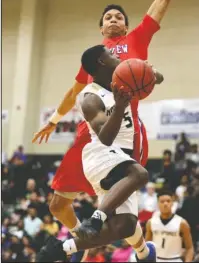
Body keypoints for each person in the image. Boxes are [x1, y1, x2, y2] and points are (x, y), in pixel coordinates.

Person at [33, 0, 172, 260]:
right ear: (101, 29)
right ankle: (83, 237)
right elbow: (73, 92)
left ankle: (121, 246)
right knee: (56, 203)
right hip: (91, 131)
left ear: (125, 25)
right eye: (108, 16)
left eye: (119, 16)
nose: (114, 18)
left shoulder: (136, 43)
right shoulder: (93, 60)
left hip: (124, 128)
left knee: (124, 214)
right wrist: (54, 120)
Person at [36, 45, 163, 262]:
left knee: (125, 226)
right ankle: (96, 219)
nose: (117, 56)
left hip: (120, 158)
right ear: (101, 62)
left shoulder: (125, 79)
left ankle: (61, 248)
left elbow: (156, 78)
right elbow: (105, 137)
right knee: (140, 175)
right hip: (100, 153)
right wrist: (121, 107)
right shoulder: (89, 97)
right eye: (112, 54)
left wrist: (148, 71)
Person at [145, 190, 194, 262]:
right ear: (158, 203)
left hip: (175, 259)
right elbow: (147, 246)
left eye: (168, 201)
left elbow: (189, 248)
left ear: (172, 203)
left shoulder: (182, 223)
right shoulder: (151, 222)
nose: (165, 204)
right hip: (156, 259)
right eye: (162, 201)